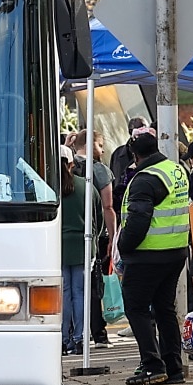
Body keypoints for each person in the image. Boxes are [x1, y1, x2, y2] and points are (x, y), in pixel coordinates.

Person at [117, 131, 190, 385]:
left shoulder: (145, 179)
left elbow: (137, 222)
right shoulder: (175, 170)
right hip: (176, 252)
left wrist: (123, 246)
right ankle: (173, 367)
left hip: (147, 255)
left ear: (135, 155)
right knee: (164, 309)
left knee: (136, 308)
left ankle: (152, 365)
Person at [68, 129, 118, 347]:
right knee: (93, 286)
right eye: (100, 144)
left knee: (69, 288)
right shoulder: (98, 170)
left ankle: (72, 333)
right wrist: (112, 237)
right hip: (93, 235)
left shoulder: (64, 167)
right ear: (91, 145)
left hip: (65, 237)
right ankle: (98, 333)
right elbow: (108, 207)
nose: (103, 149)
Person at [59, 145, 101, 355]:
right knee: (80, 292)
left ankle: (64, 338)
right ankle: (80, 338)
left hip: (58, 248)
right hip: (84, 247)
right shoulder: (87, 187)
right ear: (72, 163)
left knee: (64, 293)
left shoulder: (49, 189)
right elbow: (98, 219)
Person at [110, 116, 148, 213]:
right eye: (139, 130)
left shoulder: (151, 152)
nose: (142, 132)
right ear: (130, 132)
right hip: (121, 205)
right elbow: (114, 180)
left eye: (144, 129)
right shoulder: (117, 154)